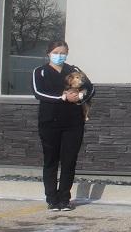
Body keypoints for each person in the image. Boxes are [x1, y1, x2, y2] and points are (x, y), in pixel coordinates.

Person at [32, 40, 94, 211]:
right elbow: (38, 92)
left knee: (69, 161)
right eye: (56, 52)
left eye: (63, 53)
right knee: (51, 160)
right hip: (49, 122)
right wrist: (62, 98)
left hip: (73, 123)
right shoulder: (40, 71)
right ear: (49, 53)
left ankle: (64, 198)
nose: (60, 56)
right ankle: (52, 198)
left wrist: (81, 97)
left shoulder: (74, 70)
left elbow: (91, 88)